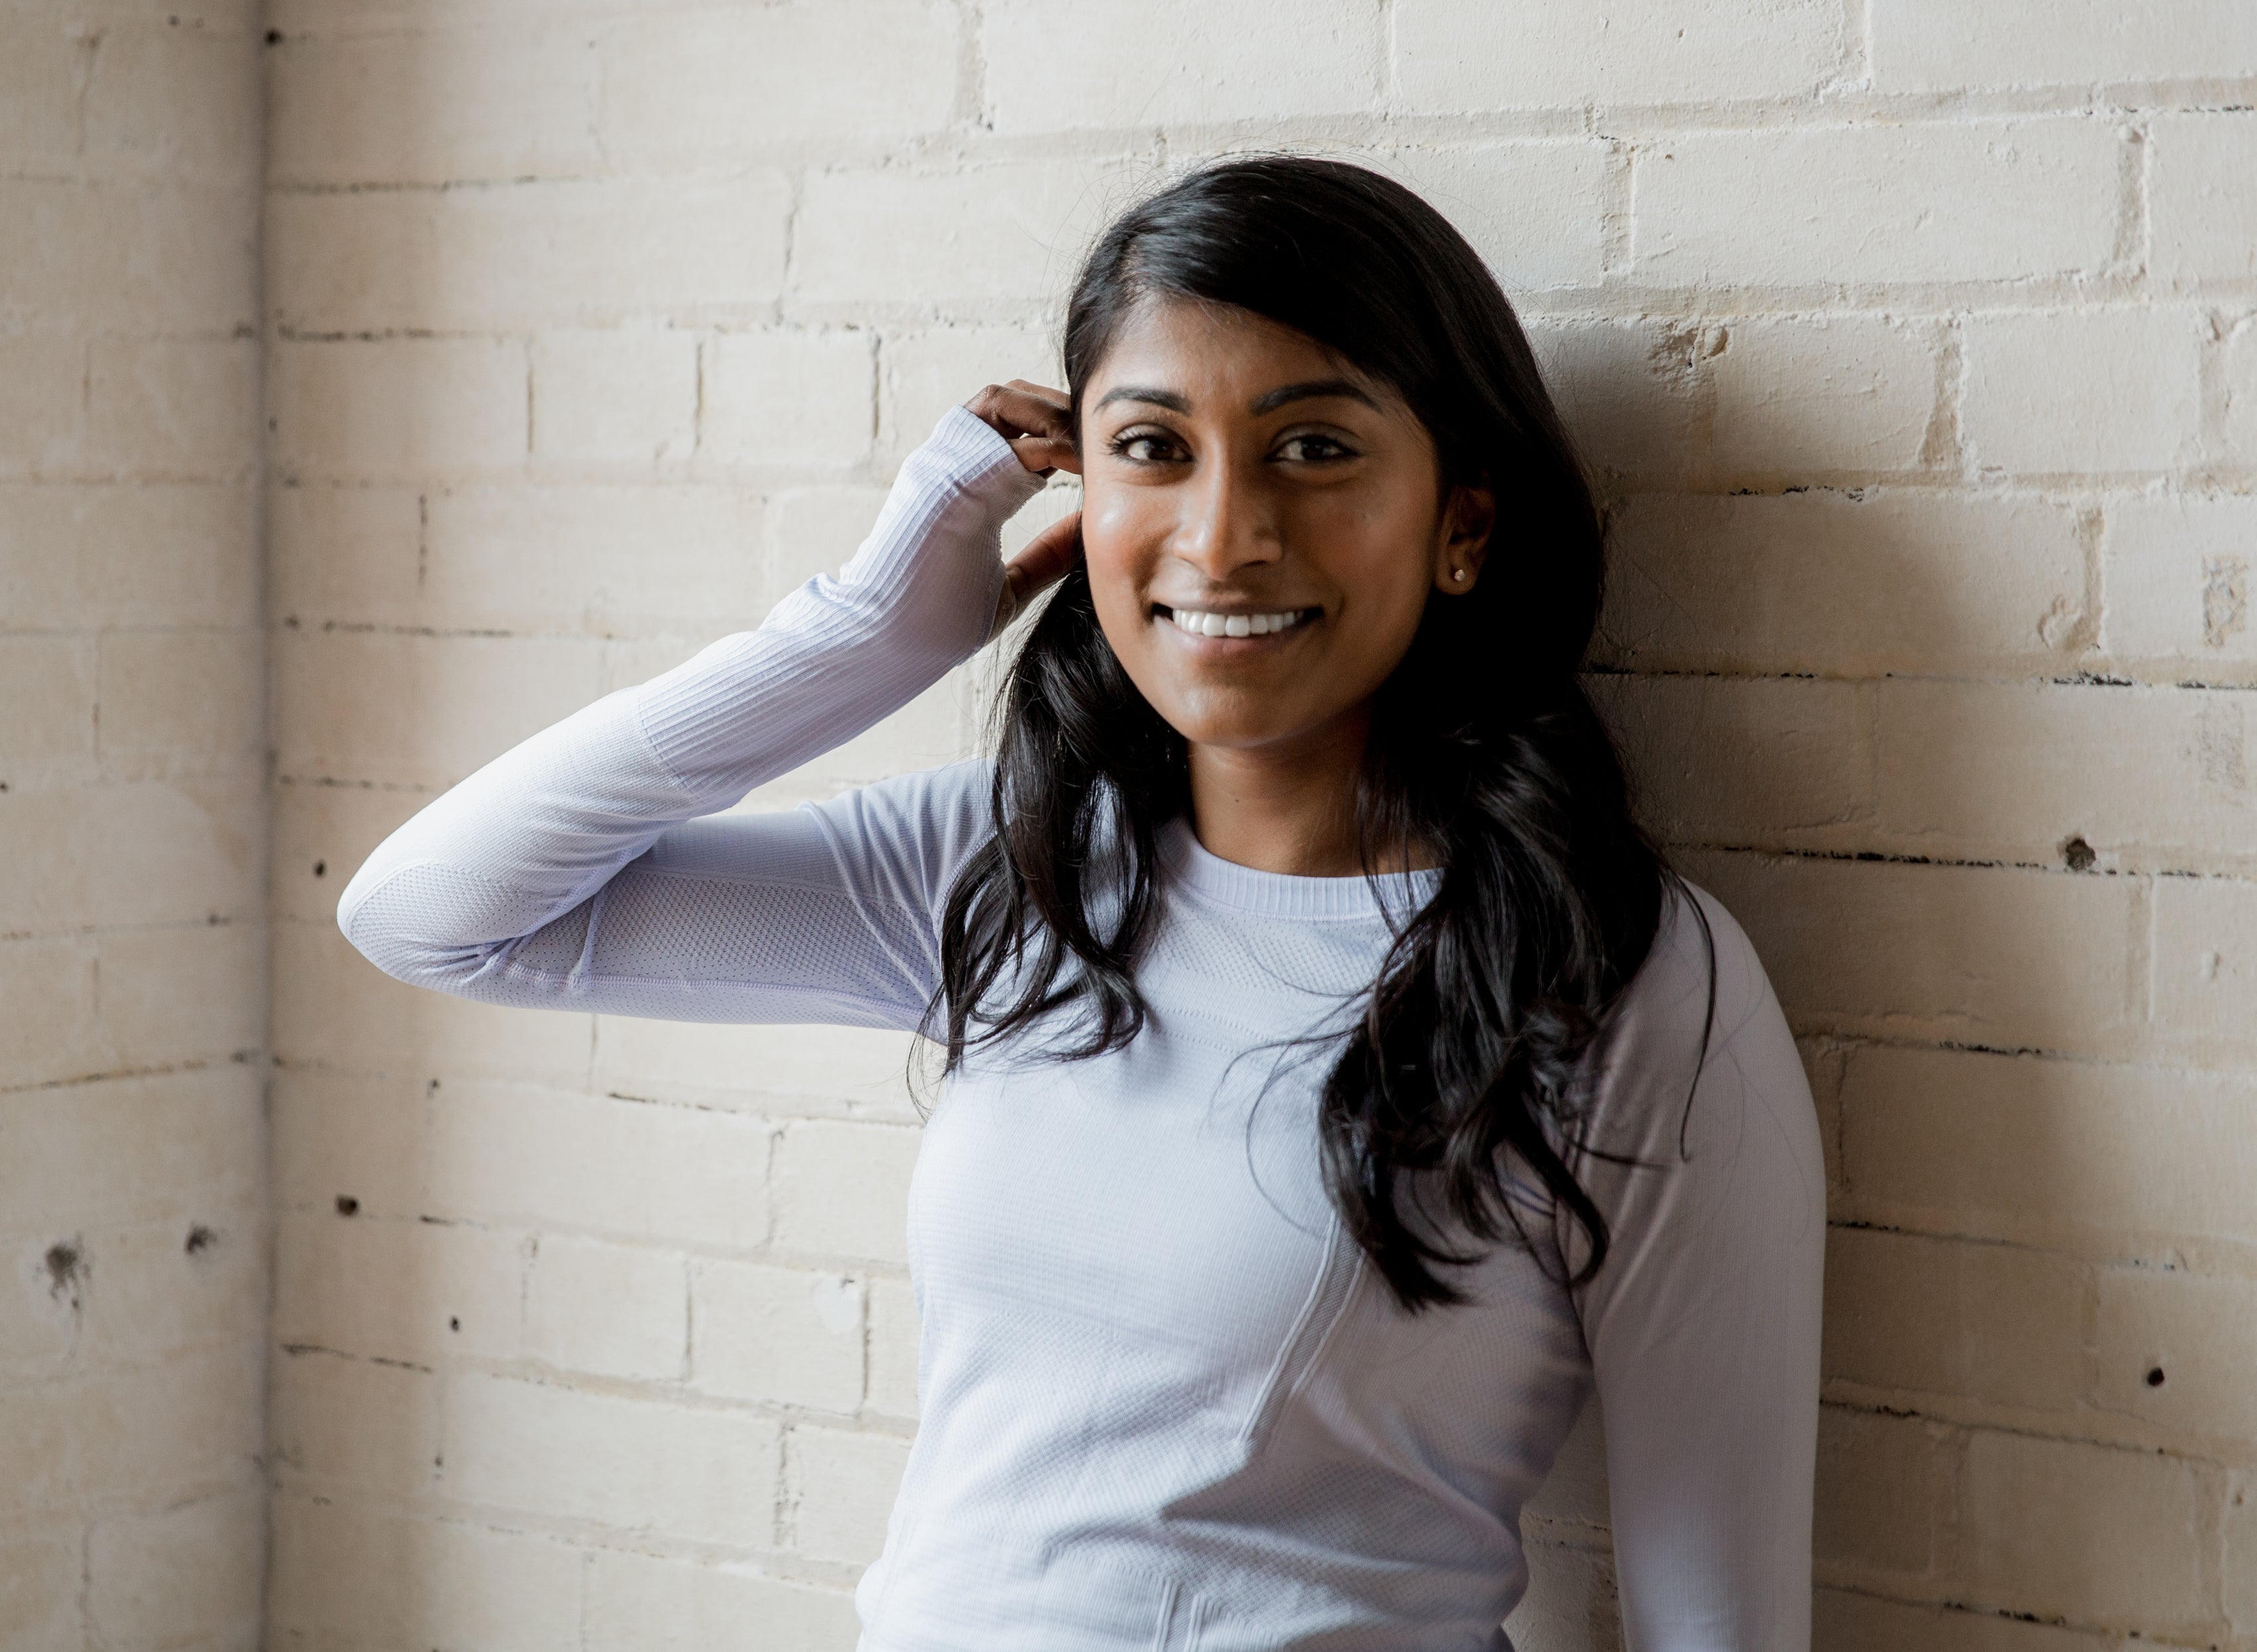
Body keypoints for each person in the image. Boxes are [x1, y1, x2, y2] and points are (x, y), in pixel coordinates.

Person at [338, 156, 1824, 1651]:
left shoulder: (1624, 976)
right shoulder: (1015, 869)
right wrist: (864, 637)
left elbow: (1720, 1623)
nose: (1224, 532)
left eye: (1312, 446)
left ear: (1463, 526)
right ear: (1086, 494)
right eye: (1153, 448)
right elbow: (436, 912)